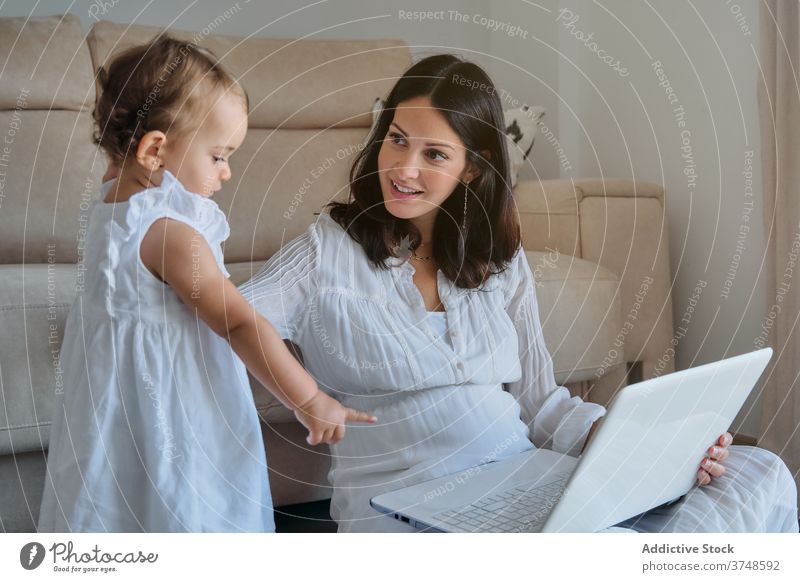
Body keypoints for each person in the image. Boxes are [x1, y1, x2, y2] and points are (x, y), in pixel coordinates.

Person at [239, 54, 798, 533]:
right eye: (397, 141)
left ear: (472, 172)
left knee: (760, 475)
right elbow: (233, 315)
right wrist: (304, 398)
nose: (403, 168)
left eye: (434, 154)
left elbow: (541, 403)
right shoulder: (324, 251)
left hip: (520, 476)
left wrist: (650, 449)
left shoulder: (499, 263)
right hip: (402, 512)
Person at [37, 35, 375, 533]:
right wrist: (309, 399)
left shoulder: (111, 205)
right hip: (176, 411)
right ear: (155, 149)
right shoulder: (170, 234)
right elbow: (239, 322)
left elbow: (121, 161)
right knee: (190, 504)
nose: (227, 170)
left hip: (114, 411)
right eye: (218, 155)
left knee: (117, 504)